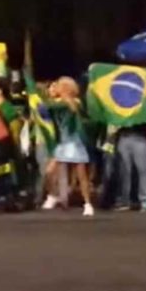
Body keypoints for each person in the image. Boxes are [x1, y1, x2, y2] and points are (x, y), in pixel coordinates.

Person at [42, 77, 94, 217]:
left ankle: (87, 204)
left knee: (82, 176)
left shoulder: (75, 102)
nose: (55, 87)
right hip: (62, 143)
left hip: (74, 142)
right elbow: (44, 109)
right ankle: (53, 195)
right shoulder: (56, 103)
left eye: (58, 85)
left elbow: (70, 108)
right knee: (49, 172)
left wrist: (57, 99)